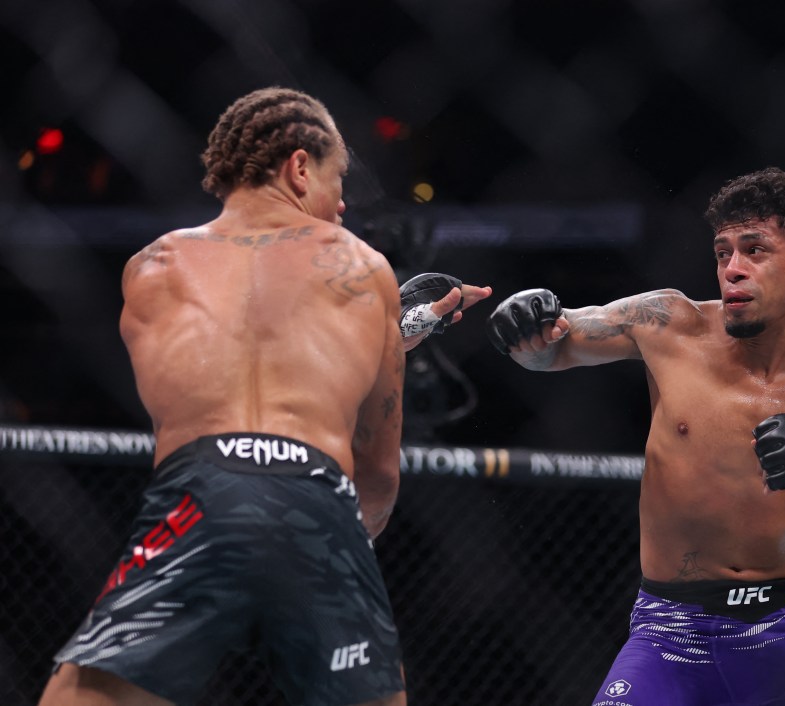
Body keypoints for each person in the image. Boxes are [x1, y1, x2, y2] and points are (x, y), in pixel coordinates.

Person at [38, 87, 488, 706]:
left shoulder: (153, 267)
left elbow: (232, 358)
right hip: (316, 499)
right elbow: (378, 470)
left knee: (82, 693)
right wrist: (331, 540)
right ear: (300, 168)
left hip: (198, 497)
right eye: (338, 180)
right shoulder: (360, 266)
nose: (344, 202)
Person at [486, 167, 785, 705]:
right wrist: (527, 325)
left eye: (755, 250)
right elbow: (555, 344)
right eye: (723, 252)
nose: (733, 270)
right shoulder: (668, 324)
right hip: (671, 637)